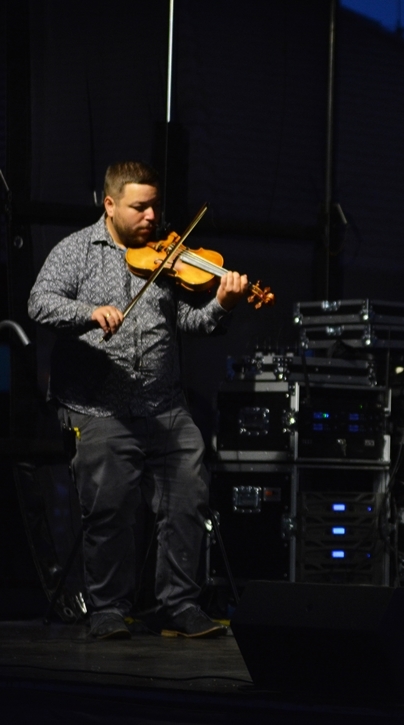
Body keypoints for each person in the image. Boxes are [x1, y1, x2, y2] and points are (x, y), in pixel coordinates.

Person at [28, 161, 250, 639]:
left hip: (162, 405)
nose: (152, 216)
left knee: (188, 498)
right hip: (98, 407)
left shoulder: (168, 256)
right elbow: (39, 302)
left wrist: (221, 305)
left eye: (155, 206)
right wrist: (89, 312)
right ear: (109, 205)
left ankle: (181, 605)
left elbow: (189, 322)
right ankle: (108, 609)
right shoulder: (76, 250)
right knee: (109, 507)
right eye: (139, 207)